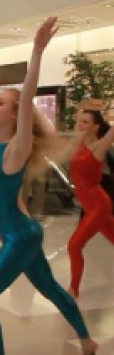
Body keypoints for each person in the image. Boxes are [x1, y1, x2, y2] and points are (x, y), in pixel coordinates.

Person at [0, 18, 97, 355]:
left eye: (2, 105)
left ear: (15, 114)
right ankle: (86, 341)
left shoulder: (15, 148)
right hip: (23, 233)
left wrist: (37, 51)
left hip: (19, 238)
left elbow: (25, 98)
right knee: (53, 290)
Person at [66, 109, 114, 298]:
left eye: (86, 122)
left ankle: (73, 290)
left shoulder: (99, 146)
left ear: (96, 127)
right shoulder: (78, 144)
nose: (81, 125)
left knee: (74, 245)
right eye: (80, 121)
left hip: (98, 205)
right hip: (89, 204)